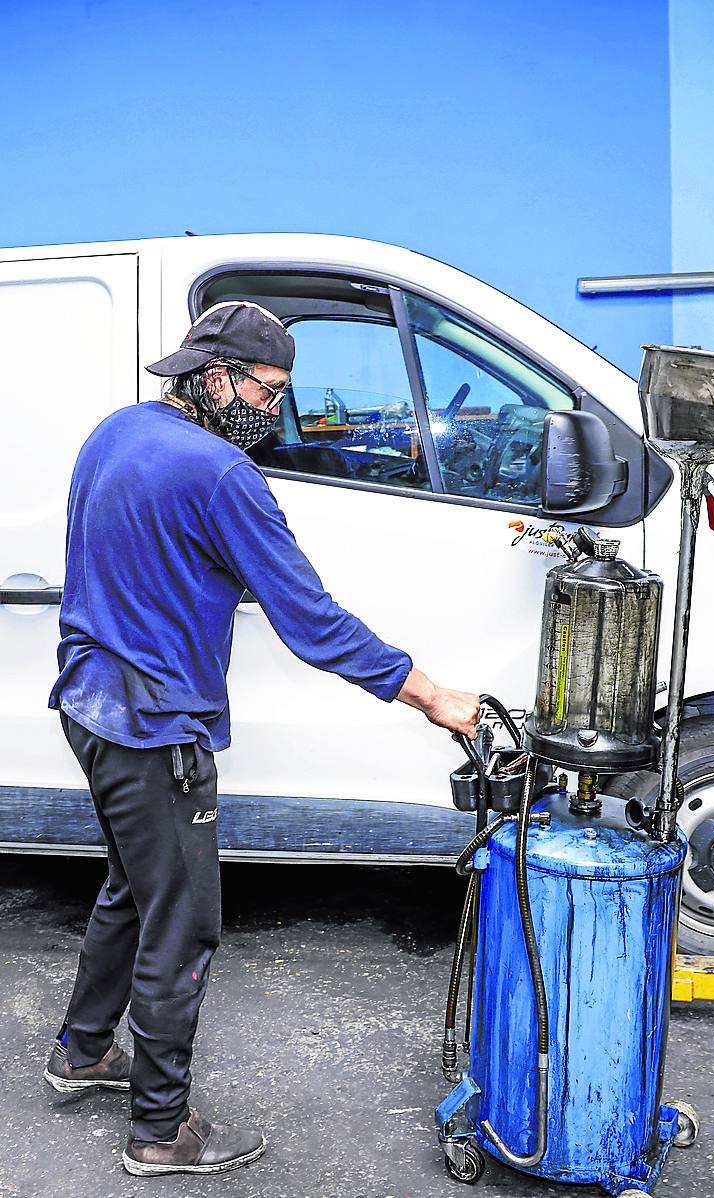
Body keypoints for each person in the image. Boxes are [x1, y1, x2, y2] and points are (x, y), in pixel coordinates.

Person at [45, 301, 480, 1177]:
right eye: (266, 390)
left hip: (86, 703)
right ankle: (160, 1132)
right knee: (184, 923)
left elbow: (133, 551)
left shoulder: (117, 430)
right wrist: (429, 694)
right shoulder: (221, 476)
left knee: (132, 887)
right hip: (153, 726)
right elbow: (310, 620)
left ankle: (83, 1050)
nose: (274, 410)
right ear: (214, 380)